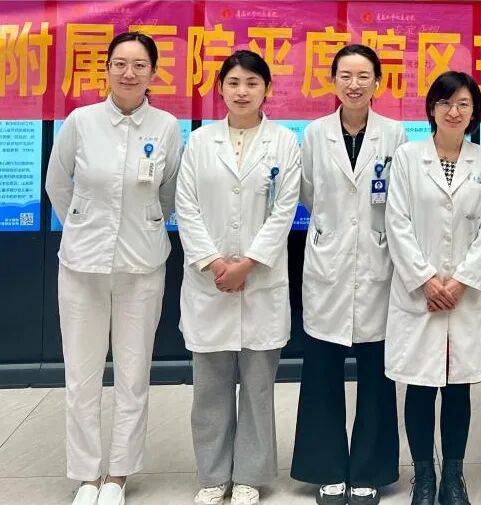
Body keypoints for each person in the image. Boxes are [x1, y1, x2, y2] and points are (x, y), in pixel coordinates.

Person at [45, 31, 182, 505]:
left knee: (133, 372)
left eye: (140, 65)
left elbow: (168, 191)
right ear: (105, 68)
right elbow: (57, 183)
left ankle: (119, 474)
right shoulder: (81, 122)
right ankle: (87, 474)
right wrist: (83, 224)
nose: (129, 73)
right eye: (120, 63)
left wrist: (144, 225)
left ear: (152, 73)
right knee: (81, 374)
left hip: (142, 265)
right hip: (81, 265)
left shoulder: (166, 126)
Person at [175, 50, 300, 505]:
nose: (242, 91)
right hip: (209, 280)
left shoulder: (285, 142)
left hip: (260, 280)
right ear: (221, 89)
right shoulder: (199, 142)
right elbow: (185, 206)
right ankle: (213, 475)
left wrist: (248, 263)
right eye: (233, 83)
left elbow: (285, 209)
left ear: (267, 89)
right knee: (210, 385)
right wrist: (214, 263)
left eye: (252, 83)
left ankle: (250, 474)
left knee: (258, 384)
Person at [291, 44, 407, 505]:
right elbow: (307, 192)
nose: (354, 84)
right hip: (329, 263)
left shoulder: (394, 134)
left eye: (363, 76)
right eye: (345, 76)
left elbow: (399, 198)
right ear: (333, 81)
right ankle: (326, 468)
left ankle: (370, 471)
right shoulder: (315, 134)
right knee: (322, 372)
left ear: (377, 82)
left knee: (378, 376)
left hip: (378, 263)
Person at [384, 71, 481, 505]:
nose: (454, 111)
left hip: (465, 296)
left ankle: (453, 477)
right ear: (432, 109)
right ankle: (424, 477)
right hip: (420, 292)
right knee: (419, 386)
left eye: (464, 104)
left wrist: (462, 281)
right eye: (446, 103)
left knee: (457, 388)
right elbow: (396, 222)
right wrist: (426, 280)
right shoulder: (407, 158)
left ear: (474, 113)